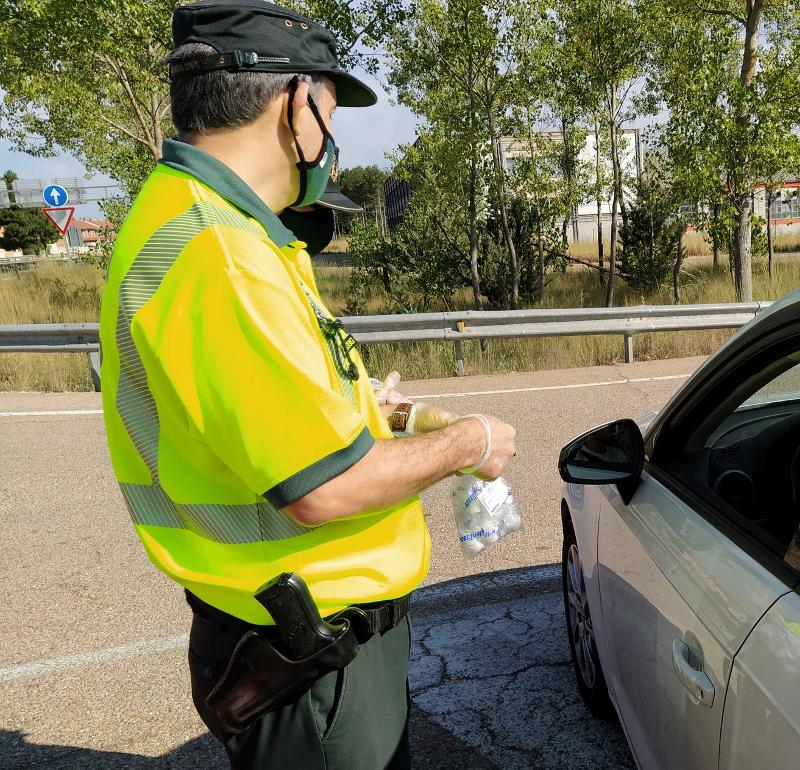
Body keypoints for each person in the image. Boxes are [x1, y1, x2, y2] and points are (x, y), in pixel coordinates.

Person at [98, 2, 516, 767]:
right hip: (309, 658)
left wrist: (363, 408)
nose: (330, 134)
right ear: (293, 105)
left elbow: (254, 413)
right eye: (328, 106)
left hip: (281, 632)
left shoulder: (206, 222)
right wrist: (470, 441)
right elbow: (321, 488)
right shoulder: (221, 254)